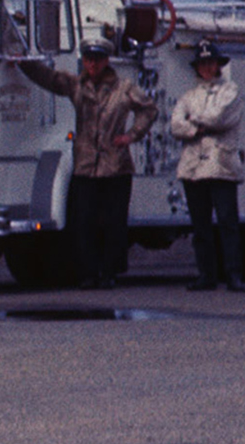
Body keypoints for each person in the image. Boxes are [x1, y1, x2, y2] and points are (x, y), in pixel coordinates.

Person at [13, 38, 158, 287]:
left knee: (113, 223)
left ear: (106, 61)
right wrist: (22, 62)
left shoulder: (123, 88)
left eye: (97, 60)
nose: (92, 65)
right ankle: (88, 273)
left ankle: (110, 272)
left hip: (115, 166)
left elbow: (149, 109)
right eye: (89, 60)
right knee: (84, 222)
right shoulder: (76, 86)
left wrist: (132, 135)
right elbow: (48, 78)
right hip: (86, 165)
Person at [171, 41, 245, 292]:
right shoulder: (188, 96)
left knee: (227, 222)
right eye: (202, 64)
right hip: (193, 167)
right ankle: (206, 274)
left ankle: (233, 274)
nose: (206, 68)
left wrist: (193, 121)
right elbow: (175, 125)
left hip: (221, 165)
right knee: (200, 225)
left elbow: (220, 117)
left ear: (218, 65)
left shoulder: (231, 90)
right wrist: (197, 127)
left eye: (210, 63)